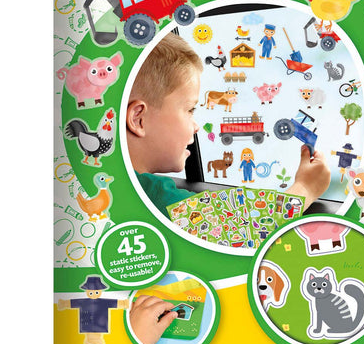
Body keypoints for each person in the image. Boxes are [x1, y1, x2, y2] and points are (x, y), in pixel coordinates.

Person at [126, 32, 331, 216]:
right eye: (190, 110)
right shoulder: (156, 197)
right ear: (138, 119)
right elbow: (246, 226)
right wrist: (305, 188)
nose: (196, 127)